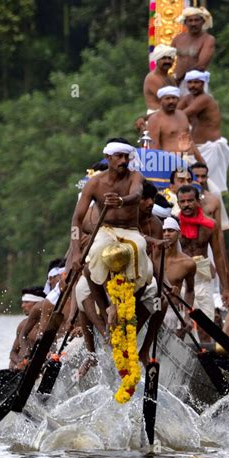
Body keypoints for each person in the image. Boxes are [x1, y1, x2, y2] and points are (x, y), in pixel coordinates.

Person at [69, 138, 153, 331]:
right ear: (108, 157)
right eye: (119, 157)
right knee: (94, 258)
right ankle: (107, 308)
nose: (123, 161)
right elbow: (77, 219)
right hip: (105, 230)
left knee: (139, 249)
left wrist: (121, 201)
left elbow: (137, 194)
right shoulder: (95, 183)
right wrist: (75, 252)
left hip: (130, 231)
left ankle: (127, 307)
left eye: (126, 157)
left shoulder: (135, 177)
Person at [176, 185, 229, 322]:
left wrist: (225, 288)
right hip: (180, 278)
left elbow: (218, 257)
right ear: (177, 203)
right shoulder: (173, 225)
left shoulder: (210, 225)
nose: (186, 205)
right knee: (181, 323)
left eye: (190, 201)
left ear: (198, 201)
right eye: (182, 202)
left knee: (206, 322)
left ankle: (206, 344)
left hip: (202, 278)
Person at [178, 70, 229, 193]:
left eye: (196, 82)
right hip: (195, 148)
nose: (193, 86)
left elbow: (182, 113)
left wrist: (161, 118)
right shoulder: (187, 98)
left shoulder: (205, 99)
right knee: (191, 183)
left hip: (209, 148)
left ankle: (212, 209)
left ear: (203, 84)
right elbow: (172, 112)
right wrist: (148, 118)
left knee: (206, 185)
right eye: (190, 82)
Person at [160, 216, 195, 337]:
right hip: (154, 309)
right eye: (163, 231)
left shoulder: (188, 263)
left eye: (170, 230)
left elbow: (190, 290)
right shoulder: (152, 258)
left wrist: (187, 315)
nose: (166, 234)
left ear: (179, 234)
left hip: (174, 313)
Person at [147, 86, 203, 161]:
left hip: (190, 159)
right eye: (167, 98)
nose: (171, 101)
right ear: (160, 101)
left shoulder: (182, 115)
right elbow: (153, 147)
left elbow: (190, 140)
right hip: (170, 161)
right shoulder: (155, 119)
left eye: (174, 98)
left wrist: (201, 160)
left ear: (178, 99)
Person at [172, 7, 215, 93]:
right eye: (190, 21)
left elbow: (201, 65)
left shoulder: (208, 39)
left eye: (196, 20)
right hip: (177, 82)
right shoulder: (178, 38)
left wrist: (180, 77)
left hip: (197, 82)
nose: (193, 23)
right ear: (185, 22)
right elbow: (167, 59)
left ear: (202, 21)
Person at [9, 287, 46, 369]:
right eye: (23, 302)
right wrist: (20, 362)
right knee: (12, 363)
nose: (22, 306)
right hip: (24, 369)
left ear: (38, 304)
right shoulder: (23, 325)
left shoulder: (49, 323)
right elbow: (13, 352)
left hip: (41, 365)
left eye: (26, 302)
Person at [190, 161, 229, 231]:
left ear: (207, 177)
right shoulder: (179, 198)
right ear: (189, 177)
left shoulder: (214, 198)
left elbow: (219, 230)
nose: (200, 180)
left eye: (203, 176)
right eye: (196, 176)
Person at [143, 45, 177, 114]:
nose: (167, 61)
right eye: (164, 58)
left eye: (170, 58)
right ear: (157, 60)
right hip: (156, 115)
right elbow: (169, 100)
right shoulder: (152, 78)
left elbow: (177, 99)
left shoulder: (170, 77)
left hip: (171, 113)